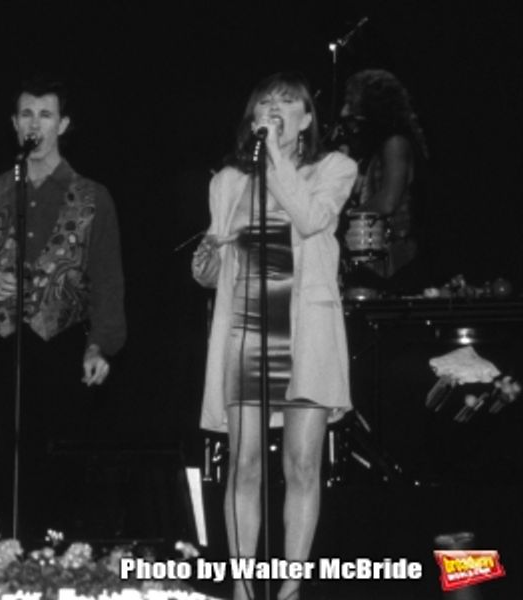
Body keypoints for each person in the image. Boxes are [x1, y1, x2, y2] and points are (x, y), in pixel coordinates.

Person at [192, 72, 357, 600]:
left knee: (302, 463)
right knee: (243, 464)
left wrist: (275, 159)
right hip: (248, 327)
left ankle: (290, 585)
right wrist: (206, 262)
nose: (275, 109)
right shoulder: (226, 181)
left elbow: (310, 219)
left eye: (289, 103)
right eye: (266, 102)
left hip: (306, 326)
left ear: (307, 119)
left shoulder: (335, 168)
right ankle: (243, 584)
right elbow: (216, 269)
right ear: (251, 116)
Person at [0, 75, 127, 542]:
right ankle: (11, 558)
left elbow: (108, 282)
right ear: (13, 123)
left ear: (62, 124)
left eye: (45, 114)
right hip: (7, 347)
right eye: (26, 113)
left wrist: (100, 346)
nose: (35, 123)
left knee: (60, 462)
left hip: (64, 344)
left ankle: (59, 560)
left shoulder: (93, 197)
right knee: (9, 457)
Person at [337, 68, 429, 285]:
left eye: (351, 103)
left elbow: (388, 201)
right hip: (386, 253)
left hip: (399, 257)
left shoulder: (395, 142)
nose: (344, 113)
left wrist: (344, 216)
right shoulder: (382, 144)